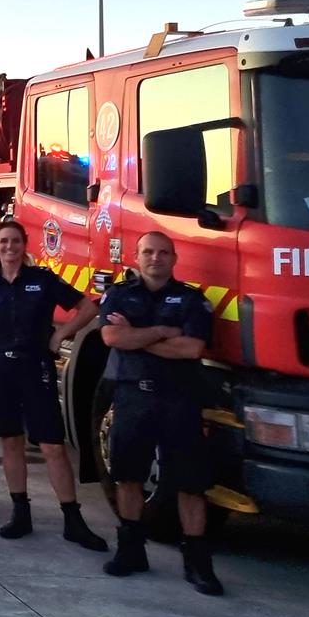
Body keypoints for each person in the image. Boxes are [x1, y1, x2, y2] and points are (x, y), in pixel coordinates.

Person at [0, 218, 107, 550]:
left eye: (15, 241)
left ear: (24, 244)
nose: (9, 247)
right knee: (10, 444)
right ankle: (20, 513)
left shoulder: (43, 281)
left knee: (52, 447)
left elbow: (87, 306)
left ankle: (73, 519)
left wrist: (60, 334)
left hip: (36, 370)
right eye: (3, 241)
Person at [98, 232, 223, 595]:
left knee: (190, 483)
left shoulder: (191, 299)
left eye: (163, 252)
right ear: (136, 257)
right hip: (132, 396)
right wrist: (161, 332)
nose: (156, 258)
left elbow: (191, 348)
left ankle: (198, 564)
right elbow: (112, 338)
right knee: (128, 477)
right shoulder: (119, 294)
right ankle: (131, 552)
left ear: (174, 257)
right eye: (148, 252)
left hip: (179, 399)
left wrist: (137, 336)